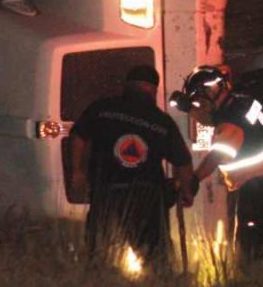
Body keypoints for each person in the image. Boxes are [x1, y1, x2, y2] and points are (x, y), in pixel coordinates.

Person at [69, 65, 195, 271]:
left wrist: (78, 172)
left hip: (106, 192)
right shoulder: (162, 122)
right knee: (157, 261)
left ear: (127, 86)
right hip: (147, 198)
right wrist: (187, 192)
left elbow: (78, 136)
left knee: (99, 255)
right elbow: (182, 162)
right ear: (153, 90)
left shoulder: (102, 108)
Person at [172, 64, 263, 262]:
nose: (199, 104)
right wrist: (189, 109)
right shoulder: (242, 102)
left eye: (199, 99)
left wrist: (194, 180)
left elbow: (217, 155)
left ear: (210, 91)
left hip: (258, 188)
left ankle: (256, 284)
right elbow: (213, 118)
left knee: (252, 245)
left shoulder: (230, 121)